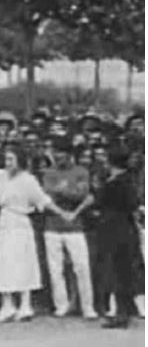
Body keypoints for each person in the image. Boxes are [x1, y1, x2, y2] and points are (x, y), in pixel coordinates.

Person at [0, 146, 74, 322]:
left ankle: (25, 306)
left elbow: (43, 199)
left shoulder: (28, 180)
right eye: (6, 159)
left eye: (11, 159)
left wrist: (62, 213)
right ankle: (7, 306)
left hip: (21, 224)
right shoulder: (1, 176)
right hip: (5, 223)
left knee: (23, 263)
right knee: (4, 263)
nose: (8, 163)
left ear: (20, 160)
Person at [41, 141, 98, 319]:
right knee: (55, 269)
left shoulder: (81, 172)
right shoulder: (49, 173)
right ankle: (61, 305)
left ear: (70, 155)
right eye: (57, 154)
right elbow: (46, 196)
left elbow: (82, 194)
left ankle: (87, 306)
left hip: (75, 225)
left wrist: (62, 191)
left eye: (63, 154)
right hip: (52, 226)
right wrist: (68, 191)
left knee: (81, 267)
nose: (60, 157)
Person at [90, 147, 141, 329]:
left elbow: (127, 203)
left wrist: (99, 191)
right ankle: (123, 310)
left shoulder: (119, 182)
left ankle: (122, 313)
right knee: (120, 270)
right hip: (121, 227)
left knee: (119, 270)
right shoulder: (126, 180)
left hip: (116, 228)